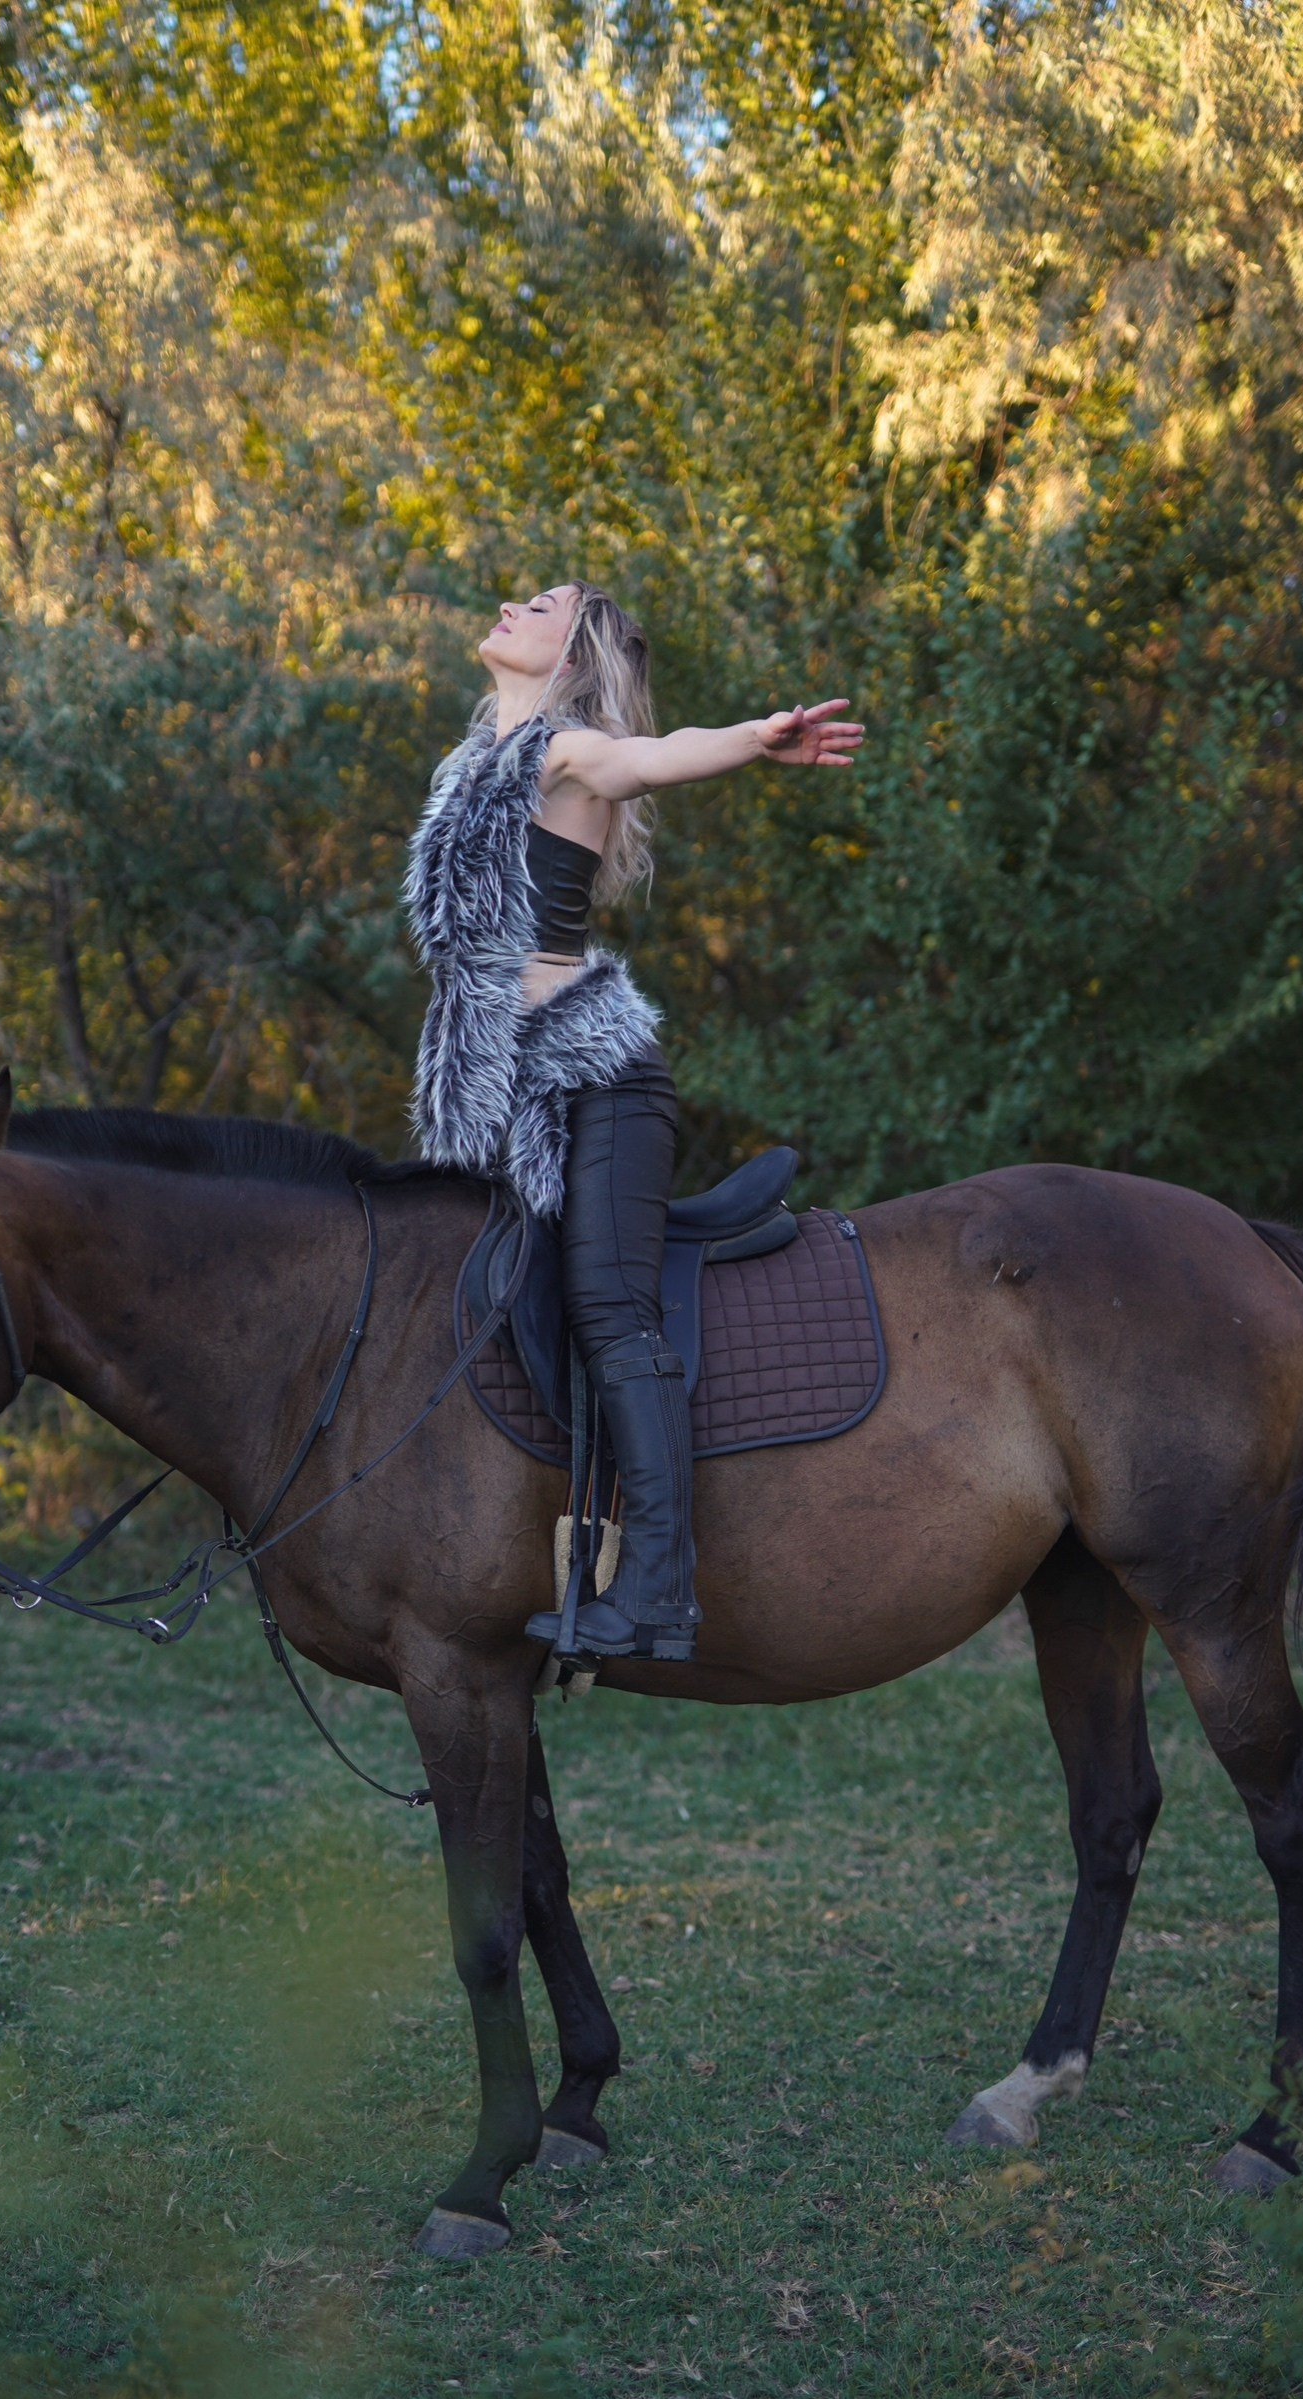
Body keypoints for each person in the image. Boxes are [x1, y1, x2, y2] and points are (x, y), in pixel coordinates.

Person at [404, 582, 864, 1662]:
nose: (513, 601)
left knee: (610, 1307)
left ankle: (656, 1586)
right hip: (510, 1096)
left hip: (596, 1079)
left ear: (573, 657)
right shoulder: (474, 770)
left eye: (544, 601)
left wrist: (755, 739)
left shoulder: (572, 752)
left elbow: (650, 759)